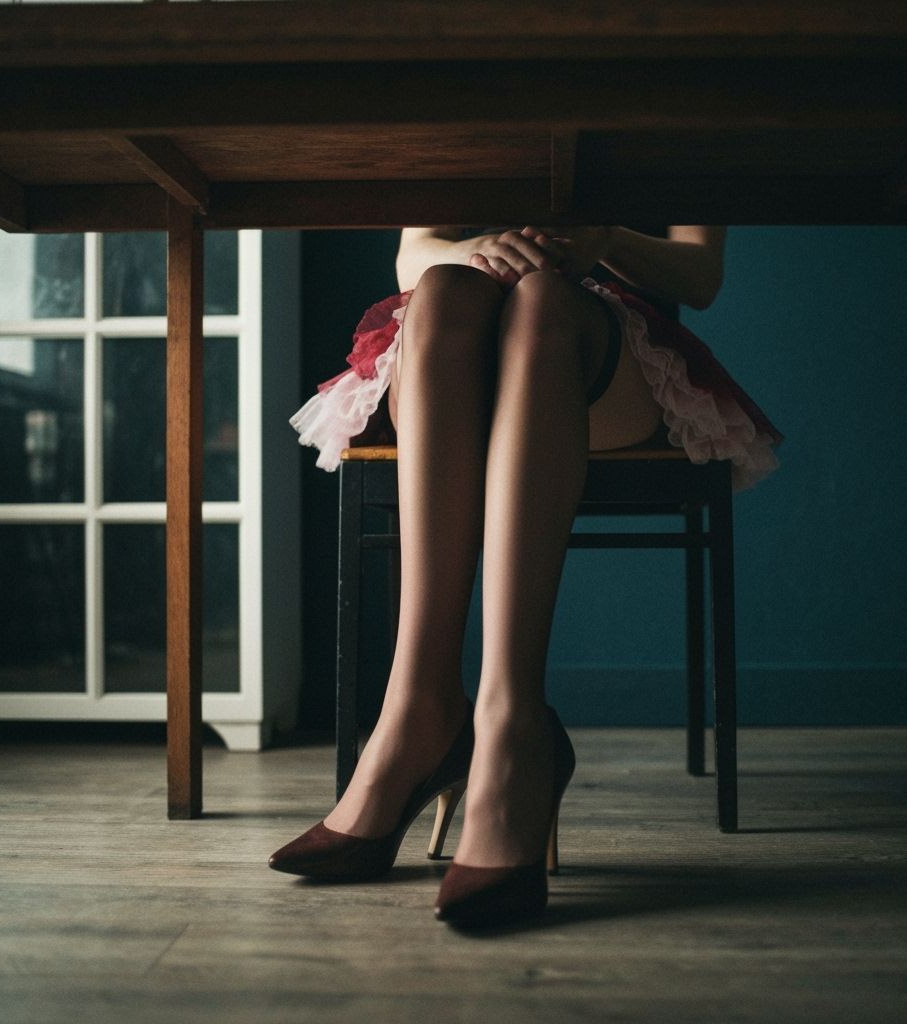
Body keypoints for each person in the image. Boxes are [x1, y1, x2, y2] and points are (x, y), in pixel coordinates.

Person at [270, 225, 781, 927]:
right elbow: (410, 257)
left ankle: (512, 725)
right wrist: (488, 246)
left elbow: (698, 276)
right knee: (443, 290)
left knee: (543, 302)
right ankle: (417, 709)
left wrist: (594, 242)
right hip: (449, 341)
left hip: (601, 352)